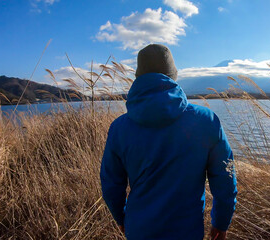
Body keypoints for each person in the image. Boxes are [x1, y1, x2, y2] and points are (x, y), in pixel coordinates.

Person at [100, 44, 237, 240]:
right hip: (187, 232)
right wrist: (221, 222)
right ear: (173, 76)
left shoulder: (119, 129)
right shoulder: (206, 121)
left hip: (139, 230)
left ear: (138, 76)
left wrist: (122, 218)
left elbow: (111, 185)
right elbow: (225, 177)